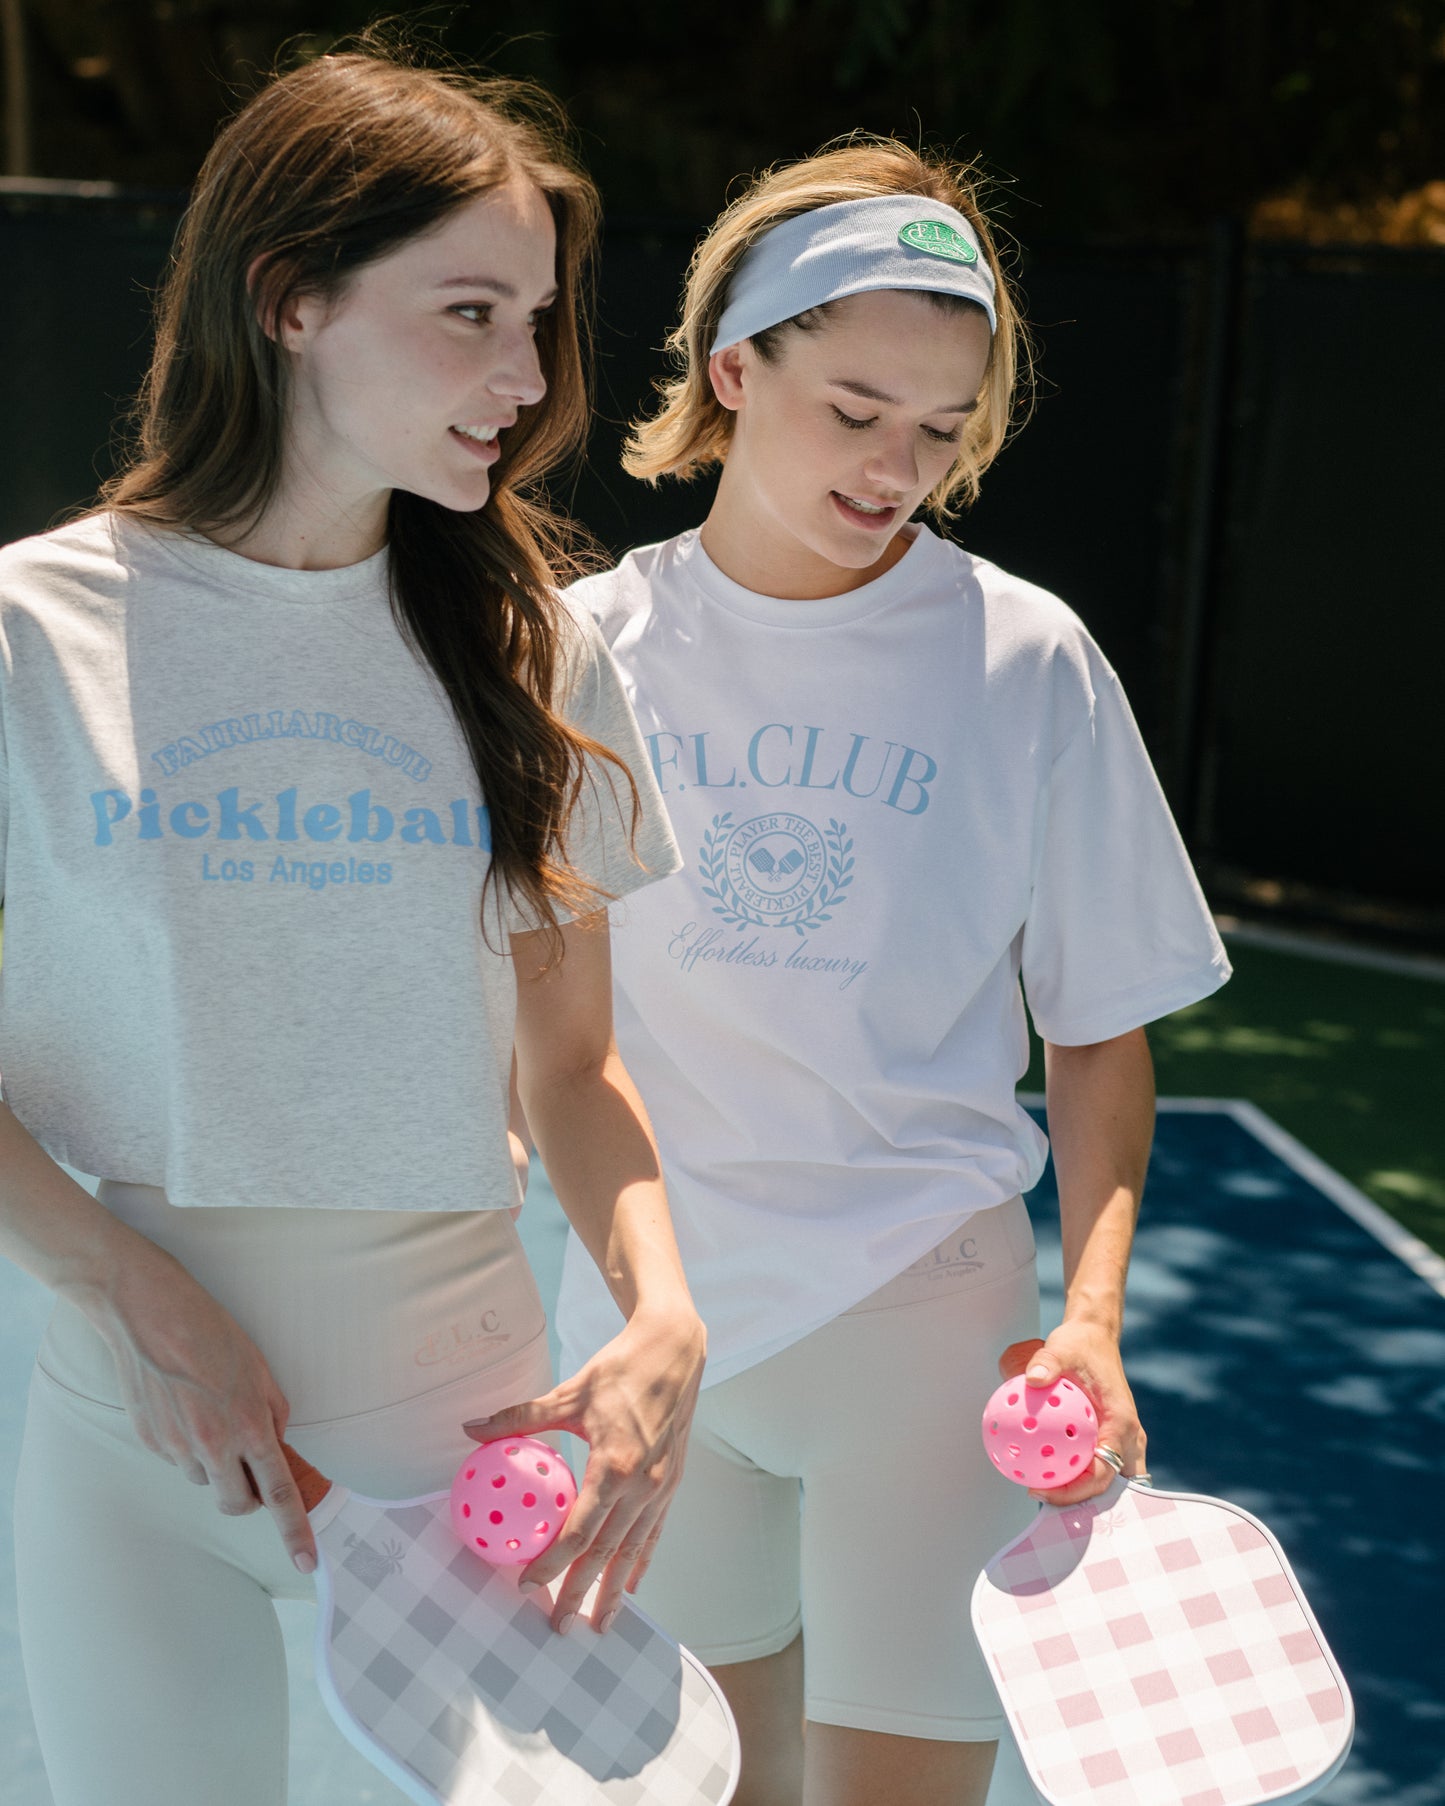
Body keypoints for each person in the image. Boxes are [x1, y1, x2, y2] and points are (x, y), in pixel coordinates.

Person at [0, 50, 705, 1806]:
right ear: (290, 298)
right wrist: (134, 1296)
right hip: (125, 1438)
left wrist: (664, 1310)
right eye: (467, 311)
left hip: (466, 1467)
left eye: (537, 320)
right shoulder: (29, 631)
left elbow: (575, 1063)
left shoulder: (536, 652)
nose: (524, 378)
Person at [515, 141, 1232, 1806]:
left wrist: (1095, 1317)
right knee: (698, 1791)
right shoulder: (576, 646)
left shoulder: (1027, 658)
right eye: (853, 411)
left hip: (922, 1326)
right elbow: (542, 1037)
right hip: (645, 1330)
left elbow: (1097, 1037)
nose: (894, 463)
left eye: (938, 427)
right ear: (731, 368)